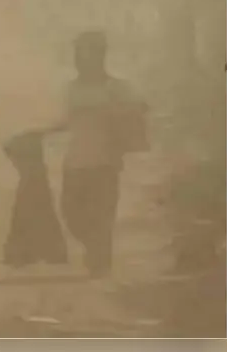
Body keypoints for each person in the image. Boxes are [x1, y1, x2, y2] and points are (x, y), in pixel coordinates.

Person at [41, 30, 148, 279]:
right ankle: (94, 248)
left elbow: (141, 108)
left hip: (105, 163)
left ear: (100, 56)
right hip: (75, 161)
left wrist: (120, 116)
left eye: (86, 54)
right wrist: (41, 133)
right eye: (78, 55)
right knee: (70, 212)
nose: (80, 60)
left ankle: (100, 262)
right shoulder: (72, 89)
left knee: (103, 215)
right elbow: (66, 120)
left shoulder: (117, 88)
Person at [2, 129, 69, 267]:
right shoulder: (31, 138)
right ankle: (38, 252)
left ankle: (26, 252)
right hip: (34, 178)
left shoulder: (27, 138)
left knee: (29, 210)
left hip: (32, 178)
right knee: (36, 210)